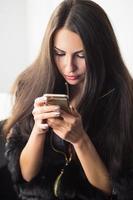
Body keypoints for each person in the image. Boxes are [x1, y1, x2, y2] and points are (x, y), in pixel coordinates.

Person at [3, 0, 133, 199]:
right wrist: (38, 130)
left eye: (81, 55)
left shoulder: (123, 97)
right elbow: (25, 177)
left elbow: (113, 190)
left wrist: (80, 140)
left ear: (101, 51)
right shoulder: (30, 84)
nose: (69, 67)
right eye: (59, 54)